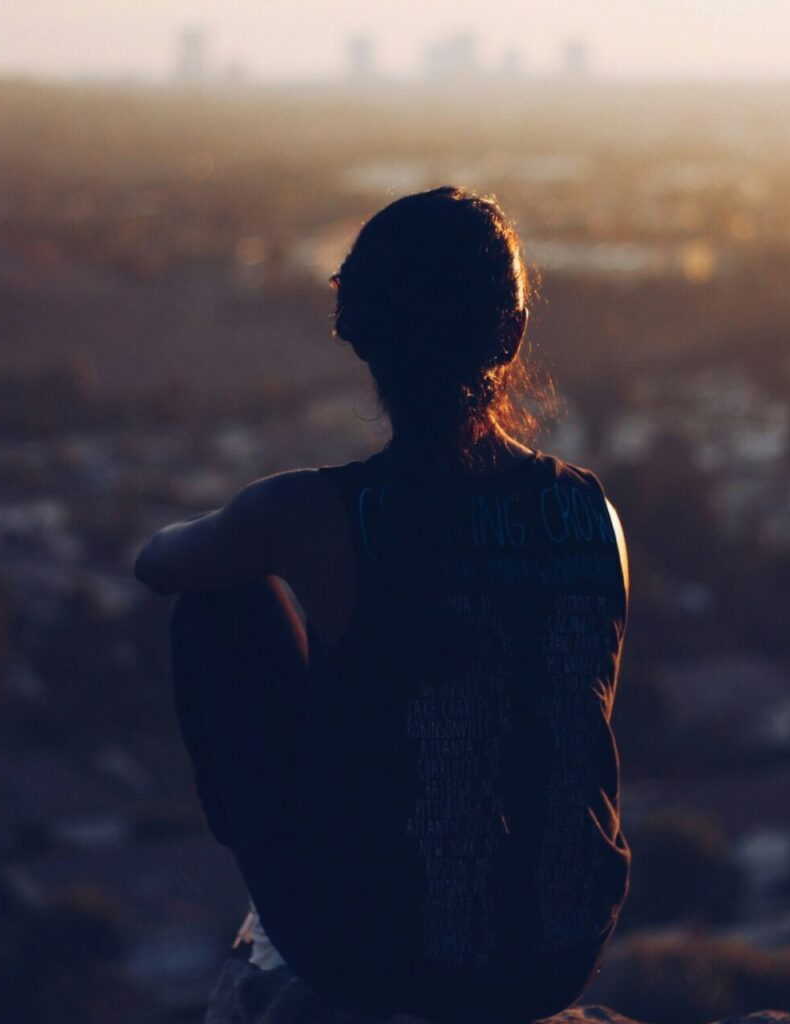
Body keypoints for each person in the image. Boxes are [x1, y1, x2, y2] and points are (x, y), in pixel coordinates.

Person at [134, 186, 631, 1024]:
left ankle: (282, 916)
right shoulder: (594, 513)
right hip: (560, 955)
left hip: (384, 961)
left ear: (356, 333)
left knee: (219, 603)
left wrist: (258, 528)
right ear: (510, 336)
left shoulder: (312, 515)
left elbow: (158, 564)